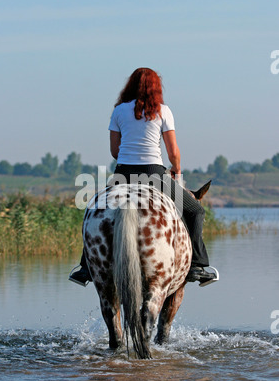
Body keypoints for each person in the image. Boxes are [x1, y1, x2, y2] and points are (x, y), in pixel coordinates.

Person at [69, 68, 218, 286]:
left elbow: (114, 150)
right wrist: (176, 169)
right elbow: (173, 152)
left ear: (130, 86)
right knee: (196, 211)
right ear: (157, 88)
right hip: (154, 174)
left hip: (123, 174)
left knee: (94, 210)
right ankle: (197, 265)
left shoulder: (119, 111)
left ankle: (86, 268)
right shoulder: (163, 111)